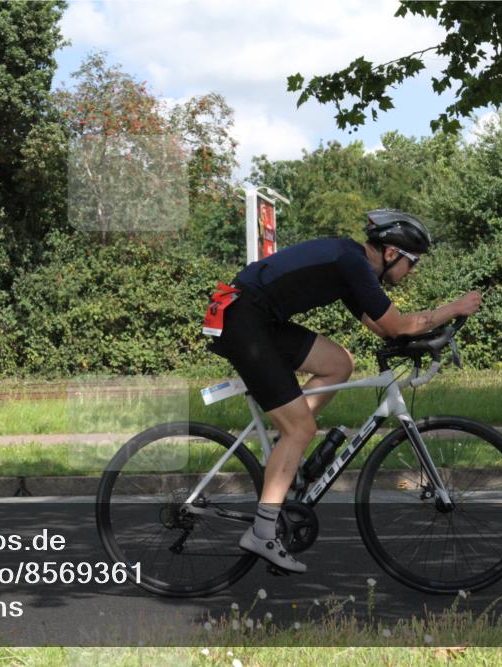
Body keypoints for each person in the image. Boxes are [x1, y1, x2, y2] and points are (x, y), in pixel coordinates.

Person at [206, 209, 482, 573]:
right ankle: (262, 531)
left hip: (255, 317)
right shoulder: (352, 264)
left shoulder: (353, 264)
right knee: (301, 429)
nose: (412, 271)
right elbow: (397, 324)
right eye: (412, 262)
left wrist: (429, 336)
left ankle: (287, 451)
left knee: (339, 363)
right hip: (243, 320)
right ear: (391, 253)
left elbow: (382, 328)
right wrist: (455, 308)